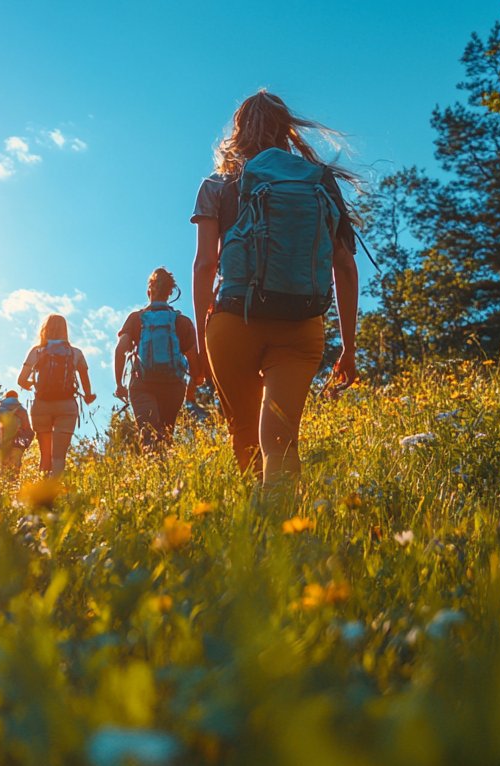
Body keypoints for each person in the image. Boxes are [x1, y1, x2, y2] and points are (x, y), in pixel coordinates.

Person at [191, 90, 360, 484]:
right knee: (282, 440)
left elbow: (205, 265)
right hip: (301, 323)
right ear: (287, 130)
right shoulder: (319, 181)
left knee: (244, 430)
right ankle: (282, 513)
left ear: (238, 131)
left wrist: (200, 344)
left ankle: (257, 517)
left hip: (234, 321)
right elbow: (345, 266)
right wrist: (349, 347)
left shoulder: (218, 185)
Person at [114, 267, 199, 448]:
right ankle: (165, 464)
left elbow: (120, 349)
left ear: (149, 291)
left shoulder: (136, 319)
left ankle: (152, 461)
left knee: (149, 437)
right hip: (173, 385)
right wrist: (193, 385)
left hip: (142, 384)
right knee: (166, 437)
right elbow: (193, 357)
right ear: (170, 293)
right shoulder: (182, 322)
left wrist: (119, 384)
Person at [17, 314, 96, 475]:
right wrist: (88, 396)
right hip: (66, 406)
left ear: (45, 329)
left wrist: (34, 384)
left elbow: (21, 380)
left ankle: (43, 488)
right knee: (59, 457)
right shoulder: (75, 353)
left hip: (41, 405)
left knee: (45, 456)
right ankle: (55, 488)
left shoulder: (37, 351)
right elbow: (85, 381)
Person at [0, 390, 34, 476]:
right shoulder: (21, 409)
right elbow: (27, 428)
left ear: (6, 397)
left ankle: (2, 483)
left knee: (2, 468)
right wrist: (27, 441)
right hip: (17, 442)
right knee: (15, 469)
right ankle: (13, 482)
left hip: (3, 443)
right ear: (16, 398)